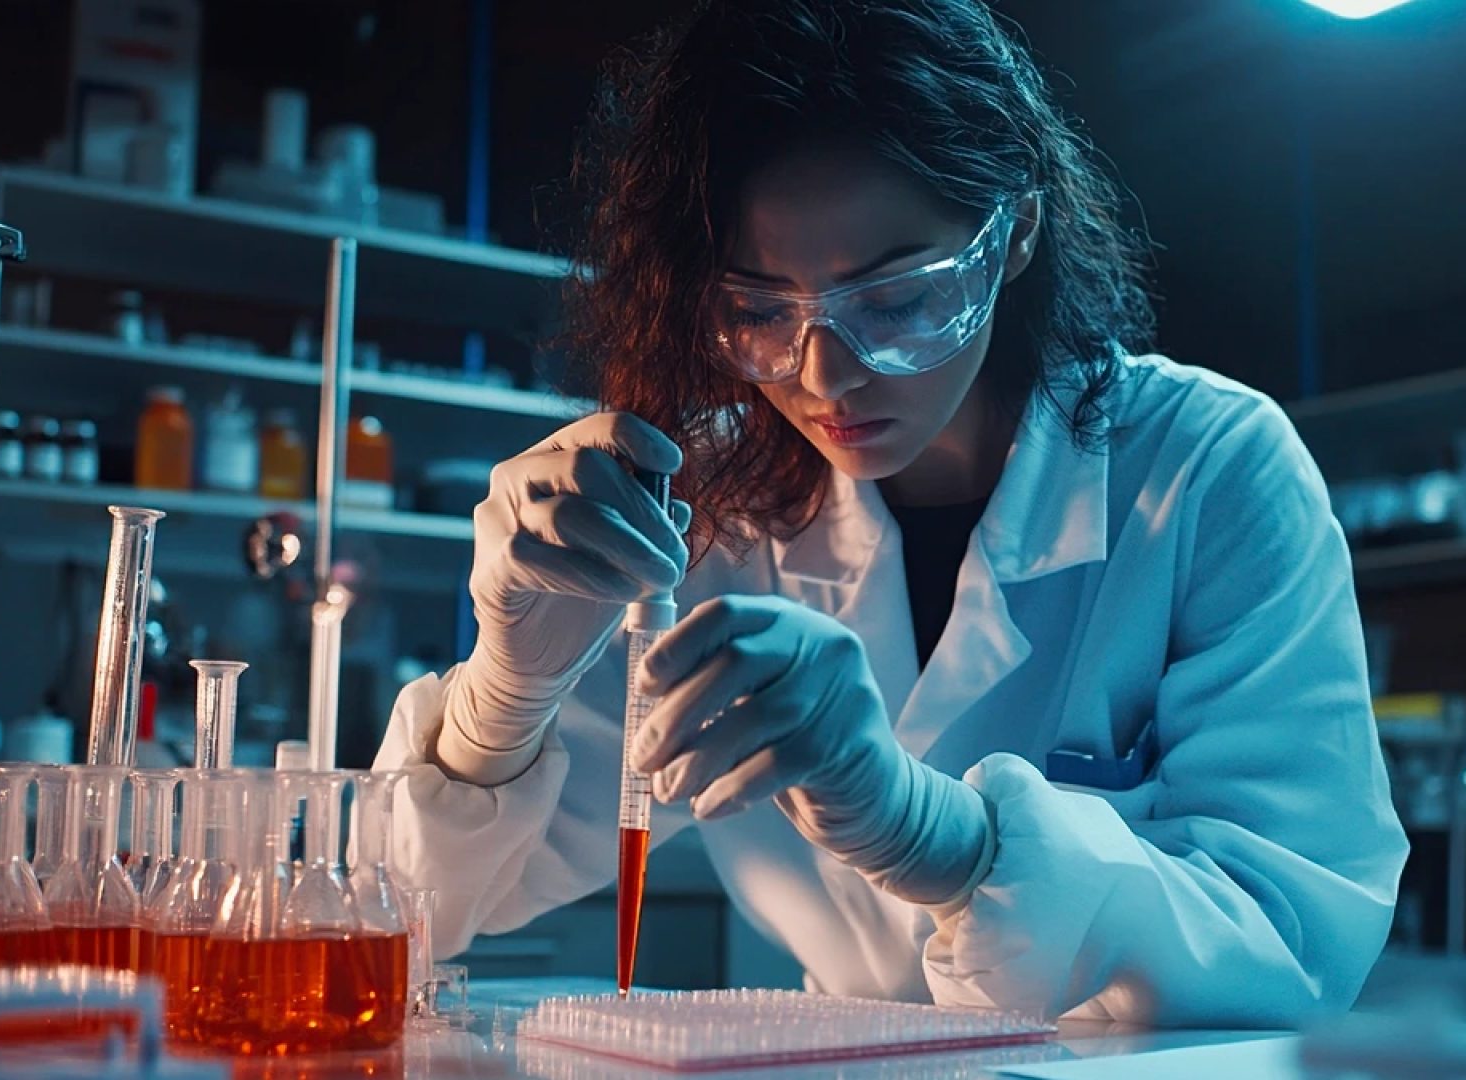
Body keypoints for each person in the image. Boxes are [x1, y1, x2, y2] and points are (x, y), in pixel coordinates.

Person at [374, 0, 1407, 1025]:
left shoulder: (1207, 470)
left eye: (898, 299)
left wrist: (942, 838)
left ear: (1016, 232)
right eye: (759, 311)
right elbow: (419, 912)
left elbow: (1296, 942)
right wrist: (506, 696)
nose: (826, 375)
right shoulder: (702, 512)